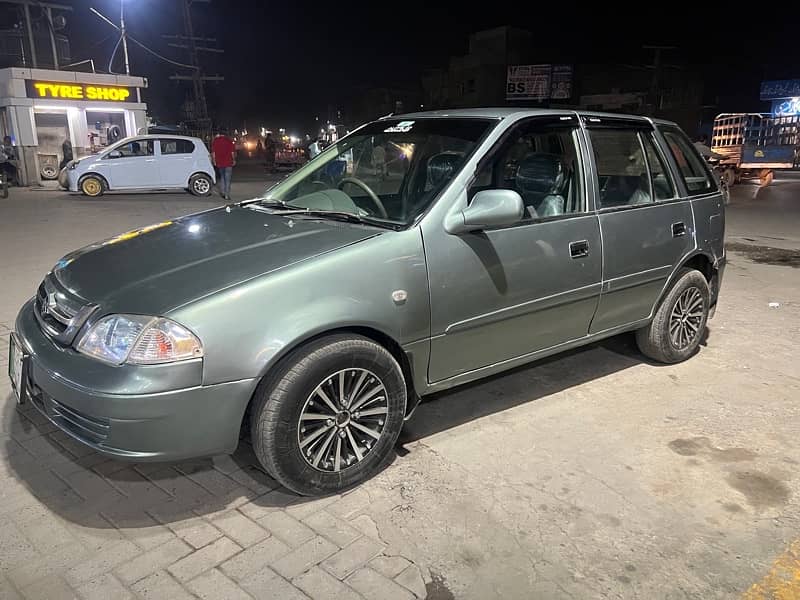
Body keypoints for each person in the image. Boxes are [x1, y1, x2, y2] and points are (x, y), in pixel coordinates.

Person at [211, 130, 236, 200]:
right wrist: (234, 160)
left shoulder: (215, 141)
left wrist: (214, 161)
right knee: (227, 179)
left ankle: (222, 192)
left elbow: (213, 153)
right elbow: (232, 152)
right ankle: (227, 195)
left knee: (222, 177)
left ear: (219, 133)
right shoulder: (229, 141)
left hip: (220, 162)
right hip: (228, 162)